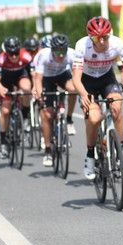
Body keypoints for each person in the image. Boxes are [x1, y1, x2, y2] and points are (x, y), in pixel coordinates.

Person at [72, 17, 123, 180]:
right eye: (97, 38)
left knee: (117, 108)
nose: (102, 41)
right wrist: (83, 94)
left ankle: (119, 157)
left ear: (110, 34)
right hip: (87, 81)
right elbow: (75, 78)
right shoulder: (82, 45)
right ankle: (90, 156)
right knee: (94, 118)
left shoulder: (117, 44)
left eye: (105, 37)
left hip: (106, 79)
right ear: (90, 37)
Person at [32, 34, 77, 167]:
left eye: (63, 52)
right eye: (57, 52)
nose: (61, 56)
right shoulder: (43, 55)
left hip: (63, 75)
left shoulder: (71, 54)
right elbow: (38, 79)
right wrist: (40, 96)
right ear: (52, 50)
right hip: (47, 78)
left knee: (73, 89)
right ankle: (47, 149)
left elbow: (77, 76)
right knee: (47, 114)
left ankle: (68, 119)